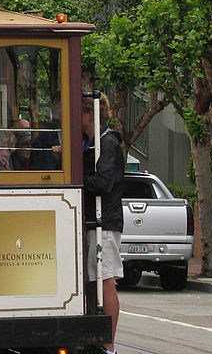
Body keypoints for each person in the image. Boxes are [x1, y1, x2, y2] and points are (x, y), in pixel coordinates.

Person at [82, 94, 124, 354]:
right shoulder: (89, 143)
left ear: (89, 114)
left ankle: (109, 346)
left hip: (104, 222)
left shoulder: (107, 143)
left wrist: (77, 179)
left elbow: (104, 182)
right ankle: (96, 338)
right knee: (92, 278)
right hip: (92, 220)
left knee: (104, 278)